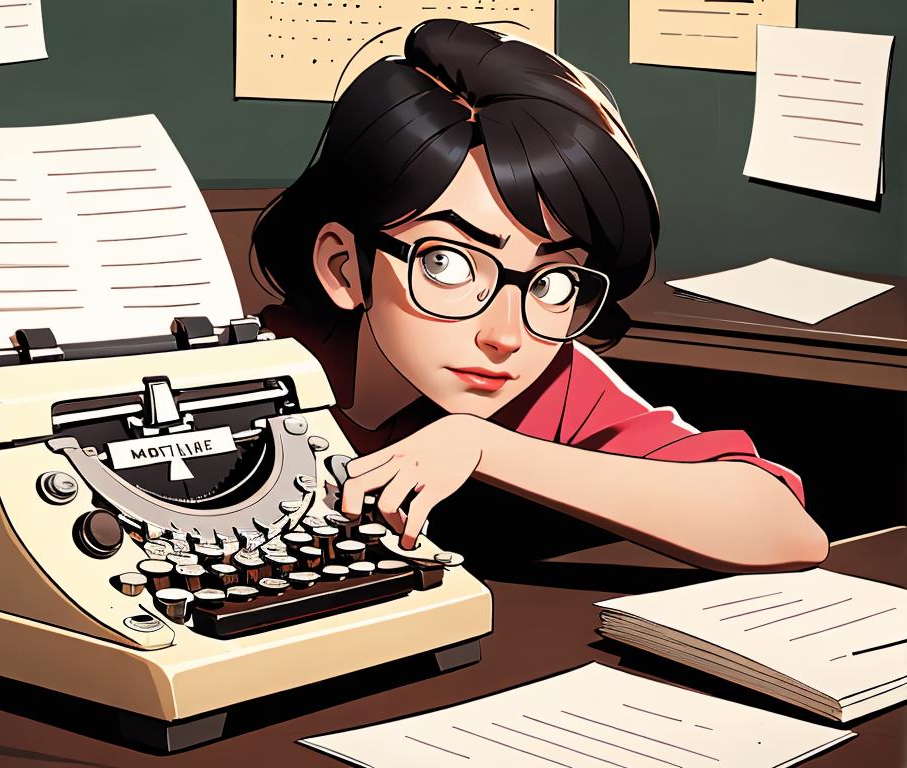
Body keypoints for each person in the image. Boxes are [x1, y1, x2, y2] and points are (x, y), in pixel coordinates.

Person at [252, 19, 827, 573]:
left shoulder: (554, 380)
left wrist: (483, 445)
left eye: (550, 282)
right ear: (344, 266)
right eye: (446, 264)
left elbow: (783, 526)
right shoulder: (264, 365)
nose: (504, 336)